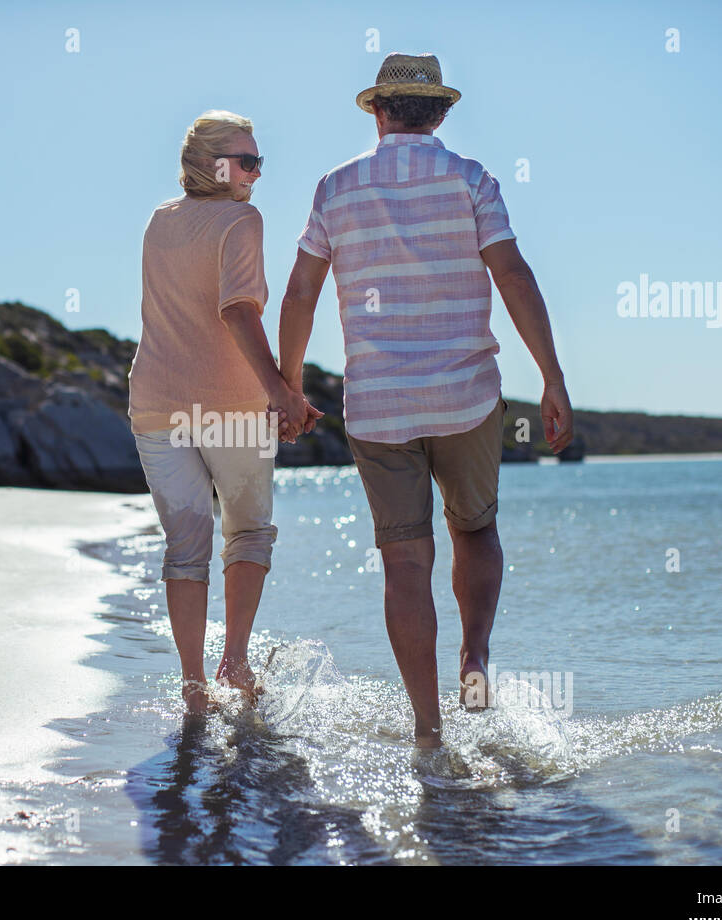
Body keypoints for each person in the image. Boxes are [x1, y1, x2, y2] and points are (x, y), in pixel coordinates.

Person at [278, 53, 574, 748]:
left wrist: (289, 387)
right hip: (465, 396)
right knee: (474, 530)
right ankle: (474, 656)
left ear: (379, 113)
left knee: (405, 561)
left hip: (379, 405)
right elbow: (513, 274)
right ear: (440, 113)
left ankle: (427, 730)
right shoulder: (472, 179)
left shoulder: (336, 187)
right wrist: (552, 377)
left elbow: (300, 294)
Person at [128, 110, 313, 715]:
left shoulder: (159, 221)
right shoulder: (242, 218)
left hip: (156, 403)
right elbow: (238, 310)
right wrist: (283, 392)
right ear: (215, 165)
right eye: (248, 161)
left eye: (259, 162)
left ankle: (193, 685)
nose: (257, 174)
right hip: (232, 406)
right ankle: (233, 661)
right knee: (249, 532)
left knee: (185, 545)